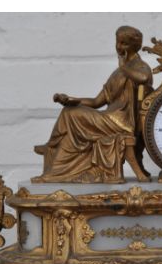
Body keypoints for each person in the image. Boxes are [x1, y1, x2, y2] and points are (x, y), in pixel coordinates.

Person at [32, 26, 153, 183]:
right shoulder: (118, 73)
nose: (119, 47)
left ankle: (51, 146)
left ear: (134, 46)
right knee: (70, 109)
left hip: (121, 122)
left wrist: (123, 67)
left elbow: (144, 78)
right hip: (109, 118)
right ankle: (54, 165)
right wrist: (71, 99)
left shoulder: (139, 67)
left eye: (124, 44)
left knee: (70, 114)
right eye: (118, 42)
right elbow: (96, 102)